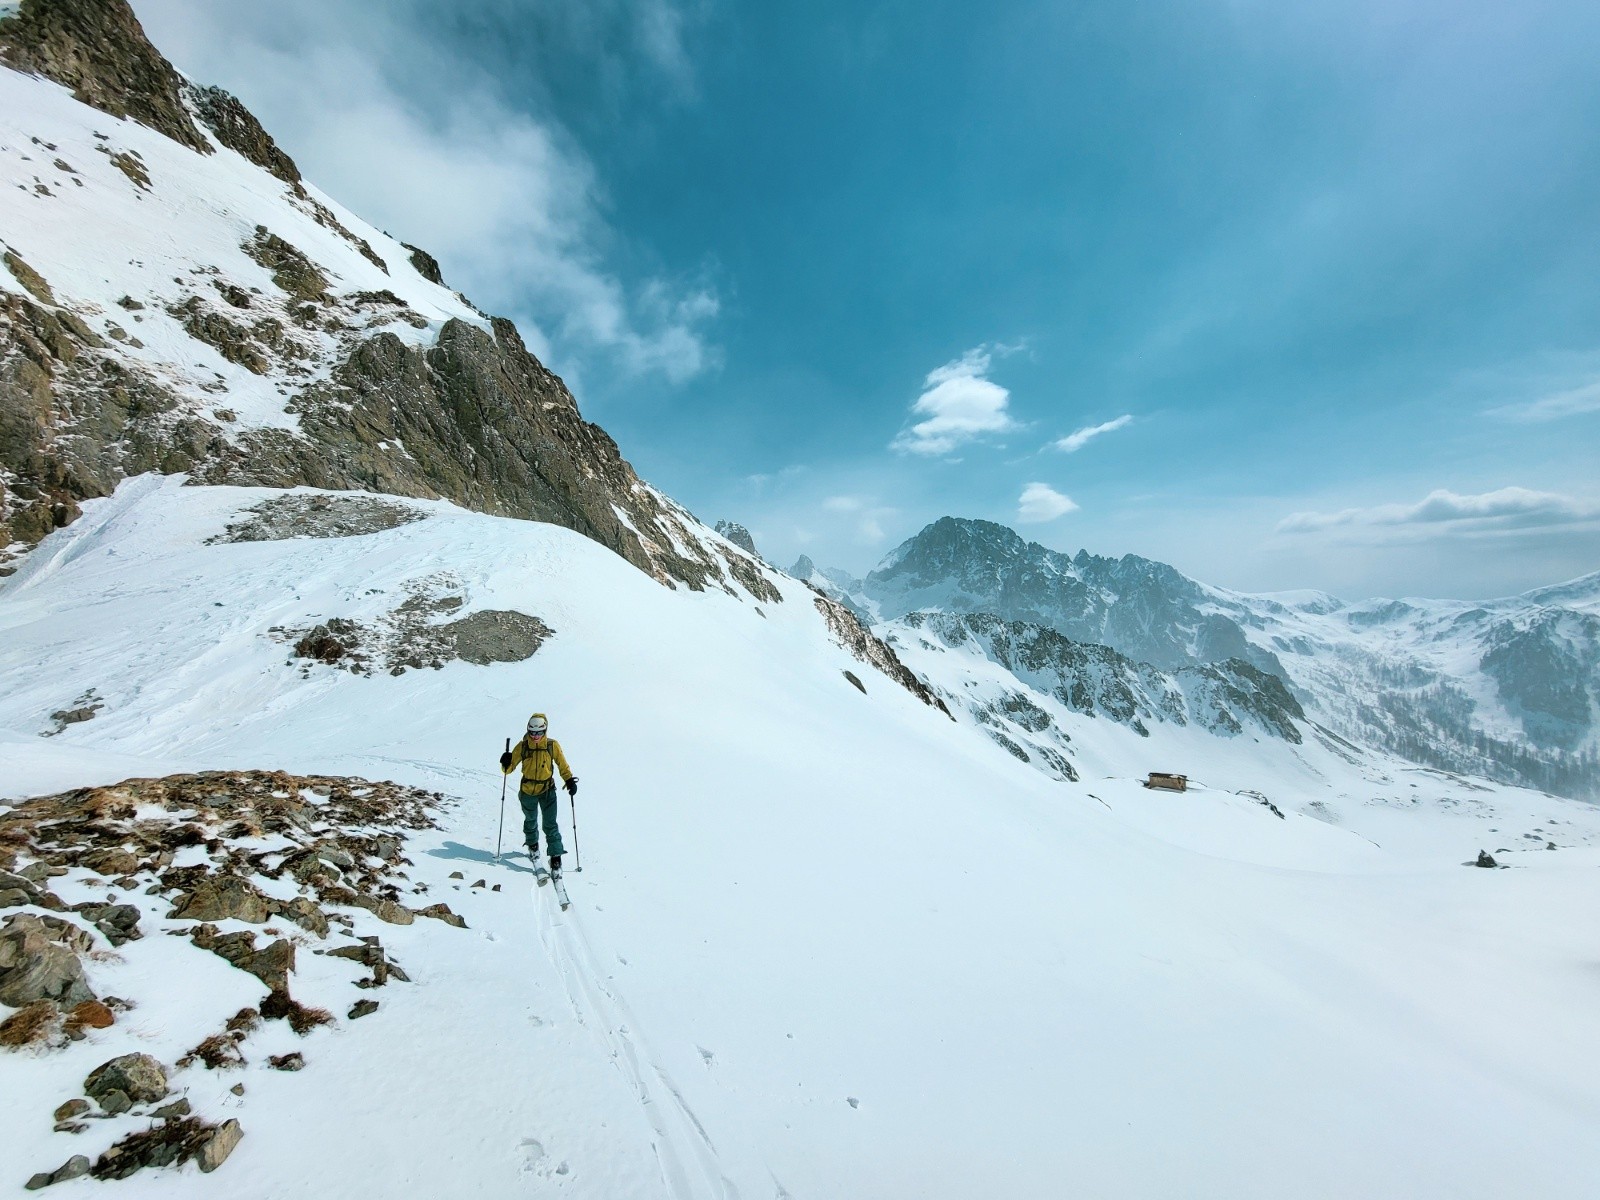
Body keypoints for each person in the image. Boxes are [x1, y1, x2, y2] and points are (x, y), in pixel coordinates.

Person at [499, 713, 578, 871]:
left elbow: (562, 764)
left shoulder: (552, 745)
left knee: (550, 825)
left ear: (545, 731)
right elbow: (508, 770)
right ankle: (533, 846)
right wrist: (505, 762)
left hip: (547, 790)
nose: (535, 736)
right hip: (527, 791)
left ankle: (555, 857)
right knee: (530, 820)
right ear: (528, 731)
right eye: (532, 732)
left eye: (539, 732)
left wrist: (568, 780)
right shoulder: (522, 746)